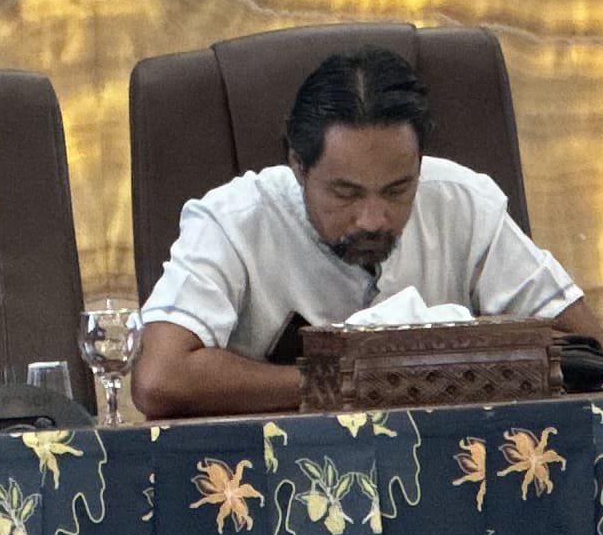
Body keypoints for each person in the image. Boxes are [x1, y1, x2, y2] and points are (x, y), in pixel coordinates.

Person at [130, 46, 578, 419]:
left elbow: (584, 348)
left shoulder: (463, 201)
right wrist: (356, 381)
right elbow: (159, 378)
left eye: (397, 190)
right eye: (346, 193)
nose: (373, 219)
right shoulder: (233, 220)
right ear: (298, 165)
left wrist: (432, 368)